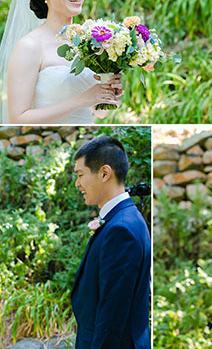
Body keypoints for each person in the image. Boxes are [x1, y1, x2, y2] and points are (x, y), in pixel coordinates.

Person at [0, 0, 123, 124]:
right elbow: (18, 118)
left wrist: (107, 93)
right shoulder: (29, 46)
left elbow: (98, 113)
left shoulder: (91, 43)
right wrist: (82, 99)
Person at [70, 136, 151, 348]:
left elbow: (112, 316)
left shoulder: (121, 229)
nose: (77, 183)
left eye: (80, 175)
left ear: (104, 173)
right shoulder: (123, 219)